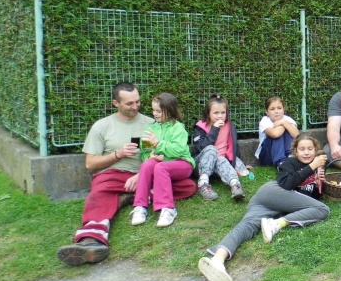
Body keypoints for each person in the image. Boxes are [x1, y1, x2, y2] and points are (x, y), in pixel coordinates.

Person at [56, 82, 196, 266]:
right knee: (99, 193)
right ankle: (91, 240)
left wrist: (141, 174)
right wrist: (118, 154)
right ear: (116, 103)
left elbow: (157, 153)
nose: (135, 106)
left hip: (146, 175)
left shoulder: (152, 124)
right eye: (129, 103)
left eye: (137, 102)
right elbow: (90, 164)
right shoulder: (102, 126)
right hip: (114, 175)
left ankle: (134, 196)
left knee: (187, 186)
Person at [197, 133, 329, 281]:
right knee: (323, 210)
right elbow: (287, 184)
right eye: (302, 149)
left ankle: (217, 260)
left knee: (247, 225)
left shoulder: (316, 168)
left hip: (274, 204)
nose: (306, 152)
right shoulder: (290, 163)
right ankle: (276, 224)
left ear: (315, 150)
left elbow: (306, 200)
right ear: (295, 151)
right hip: (271, 192)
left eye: (310, 149)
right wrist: (311, 167)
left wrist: (318, 184)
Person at [129, 93, 196, 227]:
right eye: (153, 110)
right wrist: (149, 156)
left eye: (159, 111)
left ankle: (168, 208)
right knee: (147, 164)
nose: (155, 114)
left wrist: (158, 144)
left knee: (161, 167)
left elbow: (179, 150)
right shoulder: (151, 128)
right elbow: (145, 151)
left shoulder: (178, 127)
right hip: (160, 163)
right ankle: (140, 206)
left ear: (170, 110)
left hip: (182, 163)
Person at [192, 94, 252, 201]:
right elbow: (202, 147)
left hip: (219, 166)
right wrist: (214, 129)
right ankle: (203, 184)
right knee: (212, 149)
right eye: (216, 113)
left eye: (223, 112)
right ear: (208, 113)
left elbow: (234, 147)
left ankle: (235, 185)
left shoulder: (229, 126)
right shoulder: (200, 127)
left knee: (221, 159)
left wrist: (240, 163)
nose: (220, 116)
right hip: (201, 165)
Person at [256, 95, 299, 168]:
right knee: (279, 134)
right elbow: (275, 134)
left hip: (285, 154)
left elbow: (297, 135)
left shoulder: (287, 119)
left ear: (283, 109)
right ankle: (280, 163)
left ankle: (290, 157)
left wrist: (283, 122)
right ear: (267, 112)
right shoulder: (265, 121)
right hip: (267, 156)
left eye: (279, 108)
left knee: (288, 132)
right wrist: (285, 125)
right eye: (272, 109)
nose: (276, 111)